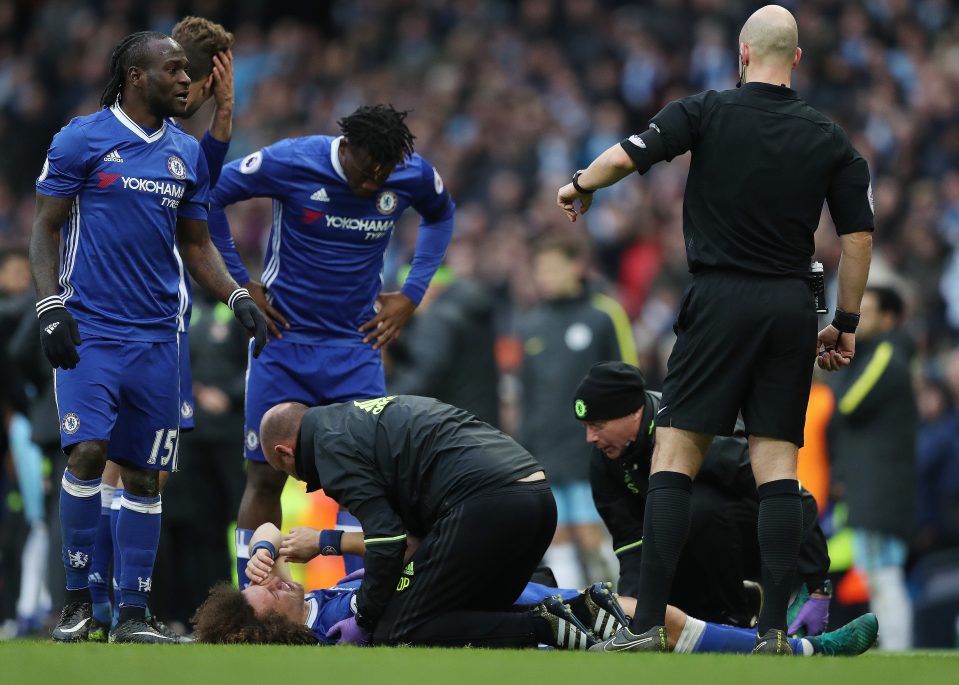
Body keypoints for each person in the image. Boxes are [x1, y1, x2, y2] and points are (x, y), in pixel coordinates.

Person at [556, 5, 874, 653]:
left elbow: (628, 156)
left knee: (674, 451)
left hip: (719, 296)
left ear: (742, 53)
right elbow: (857, 236)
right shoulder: (829, 137)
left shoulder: (705, 110)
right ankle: (773, 631)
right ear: (796, 59)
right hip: (791, 304)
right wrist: (844, 321)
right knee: (775, 463)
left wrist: (580, 185)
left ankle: (644, 625)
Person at [30, 30, 267, 644]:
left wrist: (236, 294)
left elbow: (195, 243)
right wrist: (51, 306)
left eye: (189, 71)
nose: (187, 80)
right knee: (85, 454)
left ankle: (133, 614)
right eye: (175, 69)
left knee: (143, 474)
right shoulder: (81, 138)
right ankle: (78, 603)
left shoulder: (183, 153)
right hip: (93, 332)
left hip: (160, 339)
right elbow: (44, 228)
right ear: (137, 77)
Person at [206, 105, 455, 585]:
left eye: (383, 177)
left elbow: (441, 214)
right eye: (366, 174)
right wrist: (241, 284)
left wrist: (411, 293)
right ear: (347, 148)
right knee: (263, 477)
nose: (372, 186)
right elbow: (212, 196)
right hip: (282, 341)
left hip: (356, 347)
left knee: (366, 484)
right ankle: (250, 601)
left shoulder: (409, 173)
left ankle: (362, 604)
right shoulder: (293, 160)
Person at [88, 15, 238, 641]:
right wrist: (222, 117)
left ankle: (106, 605)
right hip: (142, 324)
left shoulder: (166, 137)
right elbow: (197, 198)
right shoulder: (158, 140)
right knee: (124, 469)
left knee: (120, 469)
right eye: (194, 79)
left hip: (144, 323)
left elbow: (199, 185)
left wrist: (223, 120)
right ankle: (109, 604)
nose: (189, 89)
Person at [190, 521, 878, 657]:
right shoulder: (334, 633)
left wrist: (257, 545)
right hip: (510, 618)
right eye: (265, 591)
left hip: (501, 589)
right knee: (646, 616)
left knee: (647, 615)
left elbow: (266, 519)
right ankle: (800, 652)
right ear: (267, 626)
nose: (271, 580)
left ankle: (782, 643)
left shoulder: (326, 590)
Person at [256, 395, 578, 648]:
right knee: (470, 612)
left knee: (398, 630)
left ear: (285, 453)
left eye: (286, 471)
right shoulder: (353, 419)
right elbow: (407, 541)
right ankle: (582, 613)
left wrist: (365, 618)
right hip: (534, 493)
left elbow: (388, 542)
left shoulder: (329, 448)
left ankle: (547, 626)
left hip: (488, 502)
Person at [575, 361, 831, 631]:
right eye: (585, 426)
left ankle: (734, 613)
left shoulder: (692, 429)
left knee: (692, 508)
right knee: (664, 533)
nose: (590, 437)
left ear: (634, 413)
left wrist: (818, 585)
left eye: (598, 425)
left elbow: (792, 497)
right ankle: (730, 605)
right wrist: (635, 611)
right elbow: (630, 543)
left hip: (758, 542)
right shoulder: (604, 459)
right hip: (687, 544)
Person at [518, 233, 637, 588]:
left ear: (577, 267)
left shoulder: (603, 314)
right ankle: (575, 612)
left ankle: (624, 608)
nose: (547, 276)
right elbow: (527, 395)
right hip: (546, 451)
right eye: (541, 270)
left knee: (593, 538)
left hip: (595, 448)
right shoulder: (530, 324)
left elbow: (629, 378)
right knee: (558, 540)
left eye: (554, 267)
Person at [828, 285, 917, 650]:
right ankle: (893, 647)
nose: (860, 318)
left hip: (882, 490)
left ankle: (898, 648)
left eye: (870, 310)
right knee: (879, 575)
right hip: (876, 488)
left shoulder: (886, 354)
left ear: (890, 318)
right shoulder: (881, 353)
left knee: (885, 574)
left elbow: (849, 402)